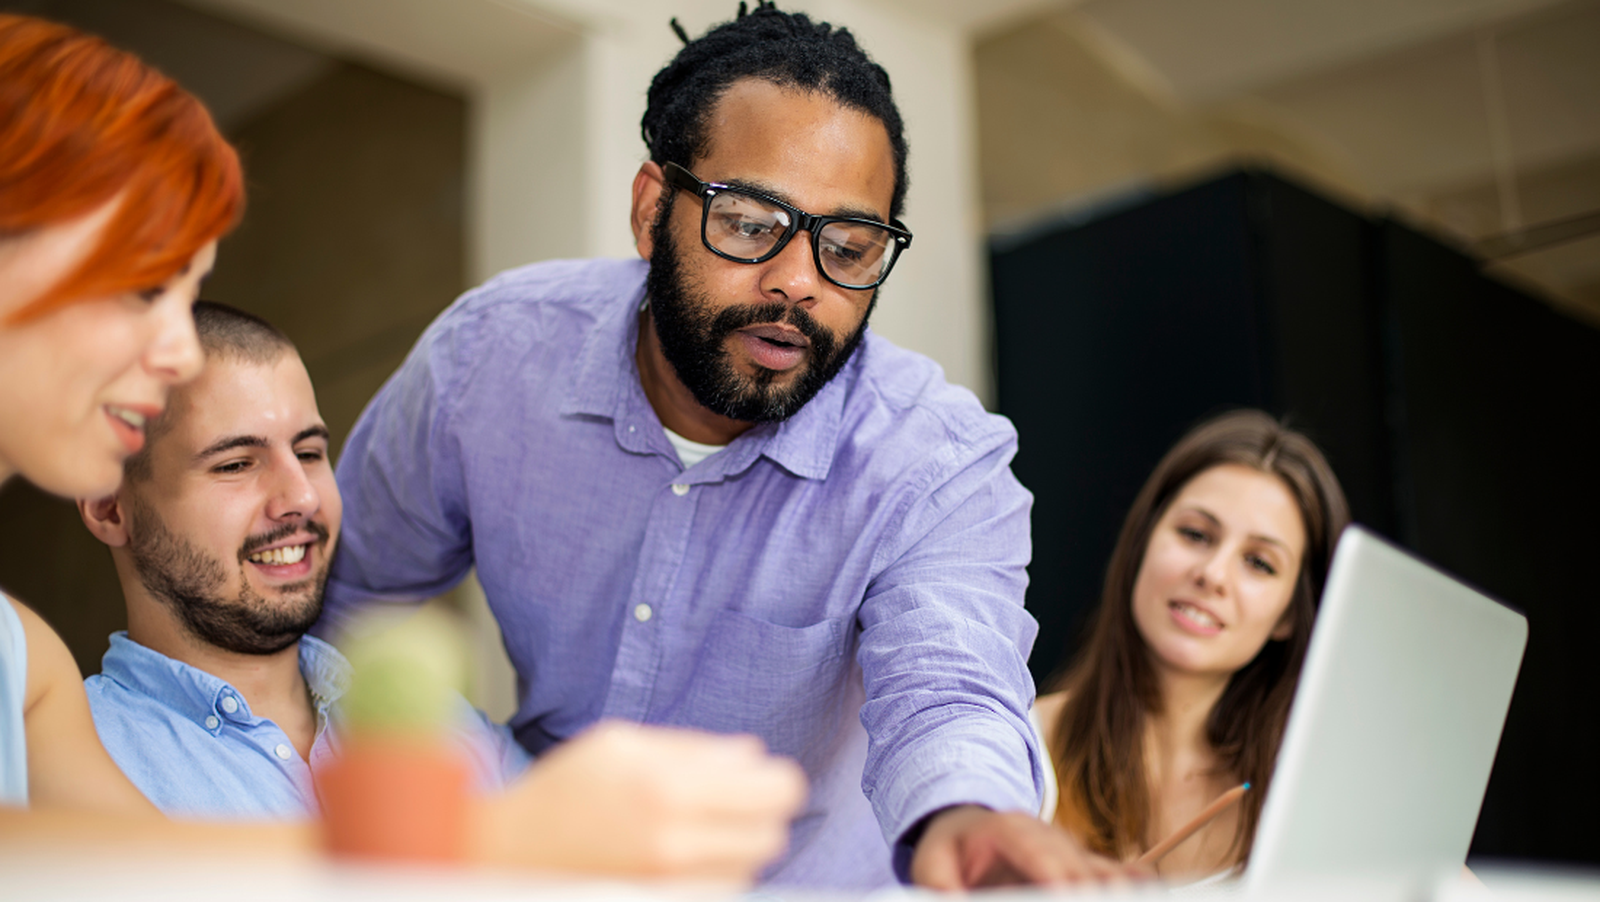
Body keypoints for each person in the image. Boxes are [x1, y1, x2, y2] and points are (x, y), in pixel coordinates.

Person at [324, 2, 1125, 889]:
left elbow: (951, 689)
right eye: (748, 224)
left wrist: (970, 816)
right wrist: (476, 796)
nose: (798, 283)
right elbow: (350, 604)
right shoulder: (490, 360)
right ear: (650, 209)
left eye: (848, 248)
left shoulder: (935, 460)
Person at [0, 14, 803, 882]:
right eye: (142, 288)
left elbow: (136, 875)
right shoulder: (71, 707)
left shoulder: (28, 664)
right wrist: (490, 842)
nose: (174, 350)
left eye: (310, 451)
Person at [77, 302, 530, 818]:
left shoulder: (447, 728)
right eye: (236, 464)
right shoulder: (61, 770)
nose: (302, 497)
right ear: (108, 506)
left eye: (310, 453)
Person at [1033, 410, 1350, 881]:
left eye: (1259, 563)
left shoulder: (1312, 799)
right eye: (1196, 534)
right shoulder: (1016, 743)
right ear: (1143, 541)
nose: (1213, 574)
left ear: (1288, 615)